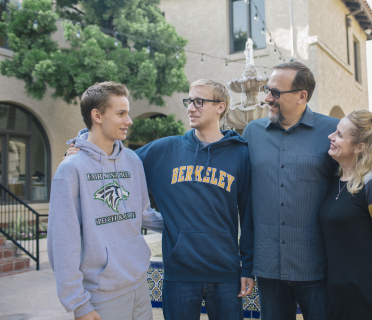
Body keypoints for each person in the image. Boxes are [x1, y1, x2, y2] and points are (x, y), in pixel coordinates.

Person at [66, 79, 254, 320]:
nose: (191, 107)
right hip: (179, 274)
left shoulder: (240, 153)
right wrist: (79, 148)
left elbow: (248, 214)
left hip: (226, 273)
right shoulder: (163, 150)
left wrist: (246, 266)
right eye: (189, 101)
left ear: (220, 106)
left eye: (199, 101)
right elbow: (114, 161)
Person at [48, 81, 164, 320]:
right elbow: (63, 242)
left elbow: (144, 214)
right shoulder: (71, 169)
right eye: (121, 113)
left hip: (140, 286)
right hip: (101, 298)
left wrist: (189, 224)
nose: (129, 120)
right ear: (97, 115)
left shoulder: (132, 160)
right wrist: (79, 304)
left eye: (128, 113)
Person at [242, 62, 339, 320]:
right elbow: (248, 202)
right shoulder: (252, 133)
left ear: (301, 96)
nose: (266, 98)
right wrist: (247, 264)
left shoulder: (332, 131)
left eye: (275, 92)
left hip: (317, 266)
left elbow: (349, 189)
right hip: (268, 267)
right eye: (266, 89)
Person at [319, 109, 372, 320]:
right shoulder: (334, 182)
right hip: (338, 298)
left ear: (359, 147)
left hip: (370, 300)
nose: (331, 137)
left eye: (339, 135)